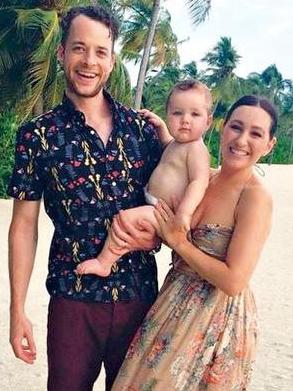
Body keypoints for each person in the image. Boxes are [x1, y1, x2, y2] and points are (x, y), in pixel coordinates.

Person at [8, 6, 164, 391]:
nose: (88, 61)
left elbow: (173, 209)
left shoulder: (141, 130)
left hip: (139, 299)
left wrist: (157, 237)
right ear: (61, 54)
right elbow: (24, 225)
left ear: (112, 60)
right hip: (71, 300)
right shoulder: (37, 135)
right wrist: (16, 310)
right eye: (79, 48)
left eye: (100, 51)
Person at [111, 95, 277, 391]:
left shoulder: (254, 197)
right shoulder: (204, 179)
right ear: (222, 128)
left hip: (215, 317)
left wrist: (181, 244)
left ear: (269, 145)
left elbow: (234, 281)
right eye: (236, 127)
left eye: (256, 134)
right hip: (172, 300)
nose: (241, 140)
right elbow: (164, 213)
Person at [76, 79, 212, 277]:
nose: (185, 120)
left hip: (166, 213)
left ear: (208, 121)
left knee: (124, 221)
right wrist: (162, 130)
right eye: (177, 113)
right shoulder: (178, 144)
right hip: (155, 206)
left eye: (195, 114)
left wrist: (184, 213)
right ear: (168, 115)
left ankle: (104, 262)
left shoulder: (197, 149)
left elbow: (199, 182)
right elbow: (168, 150)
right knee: (130, 228)